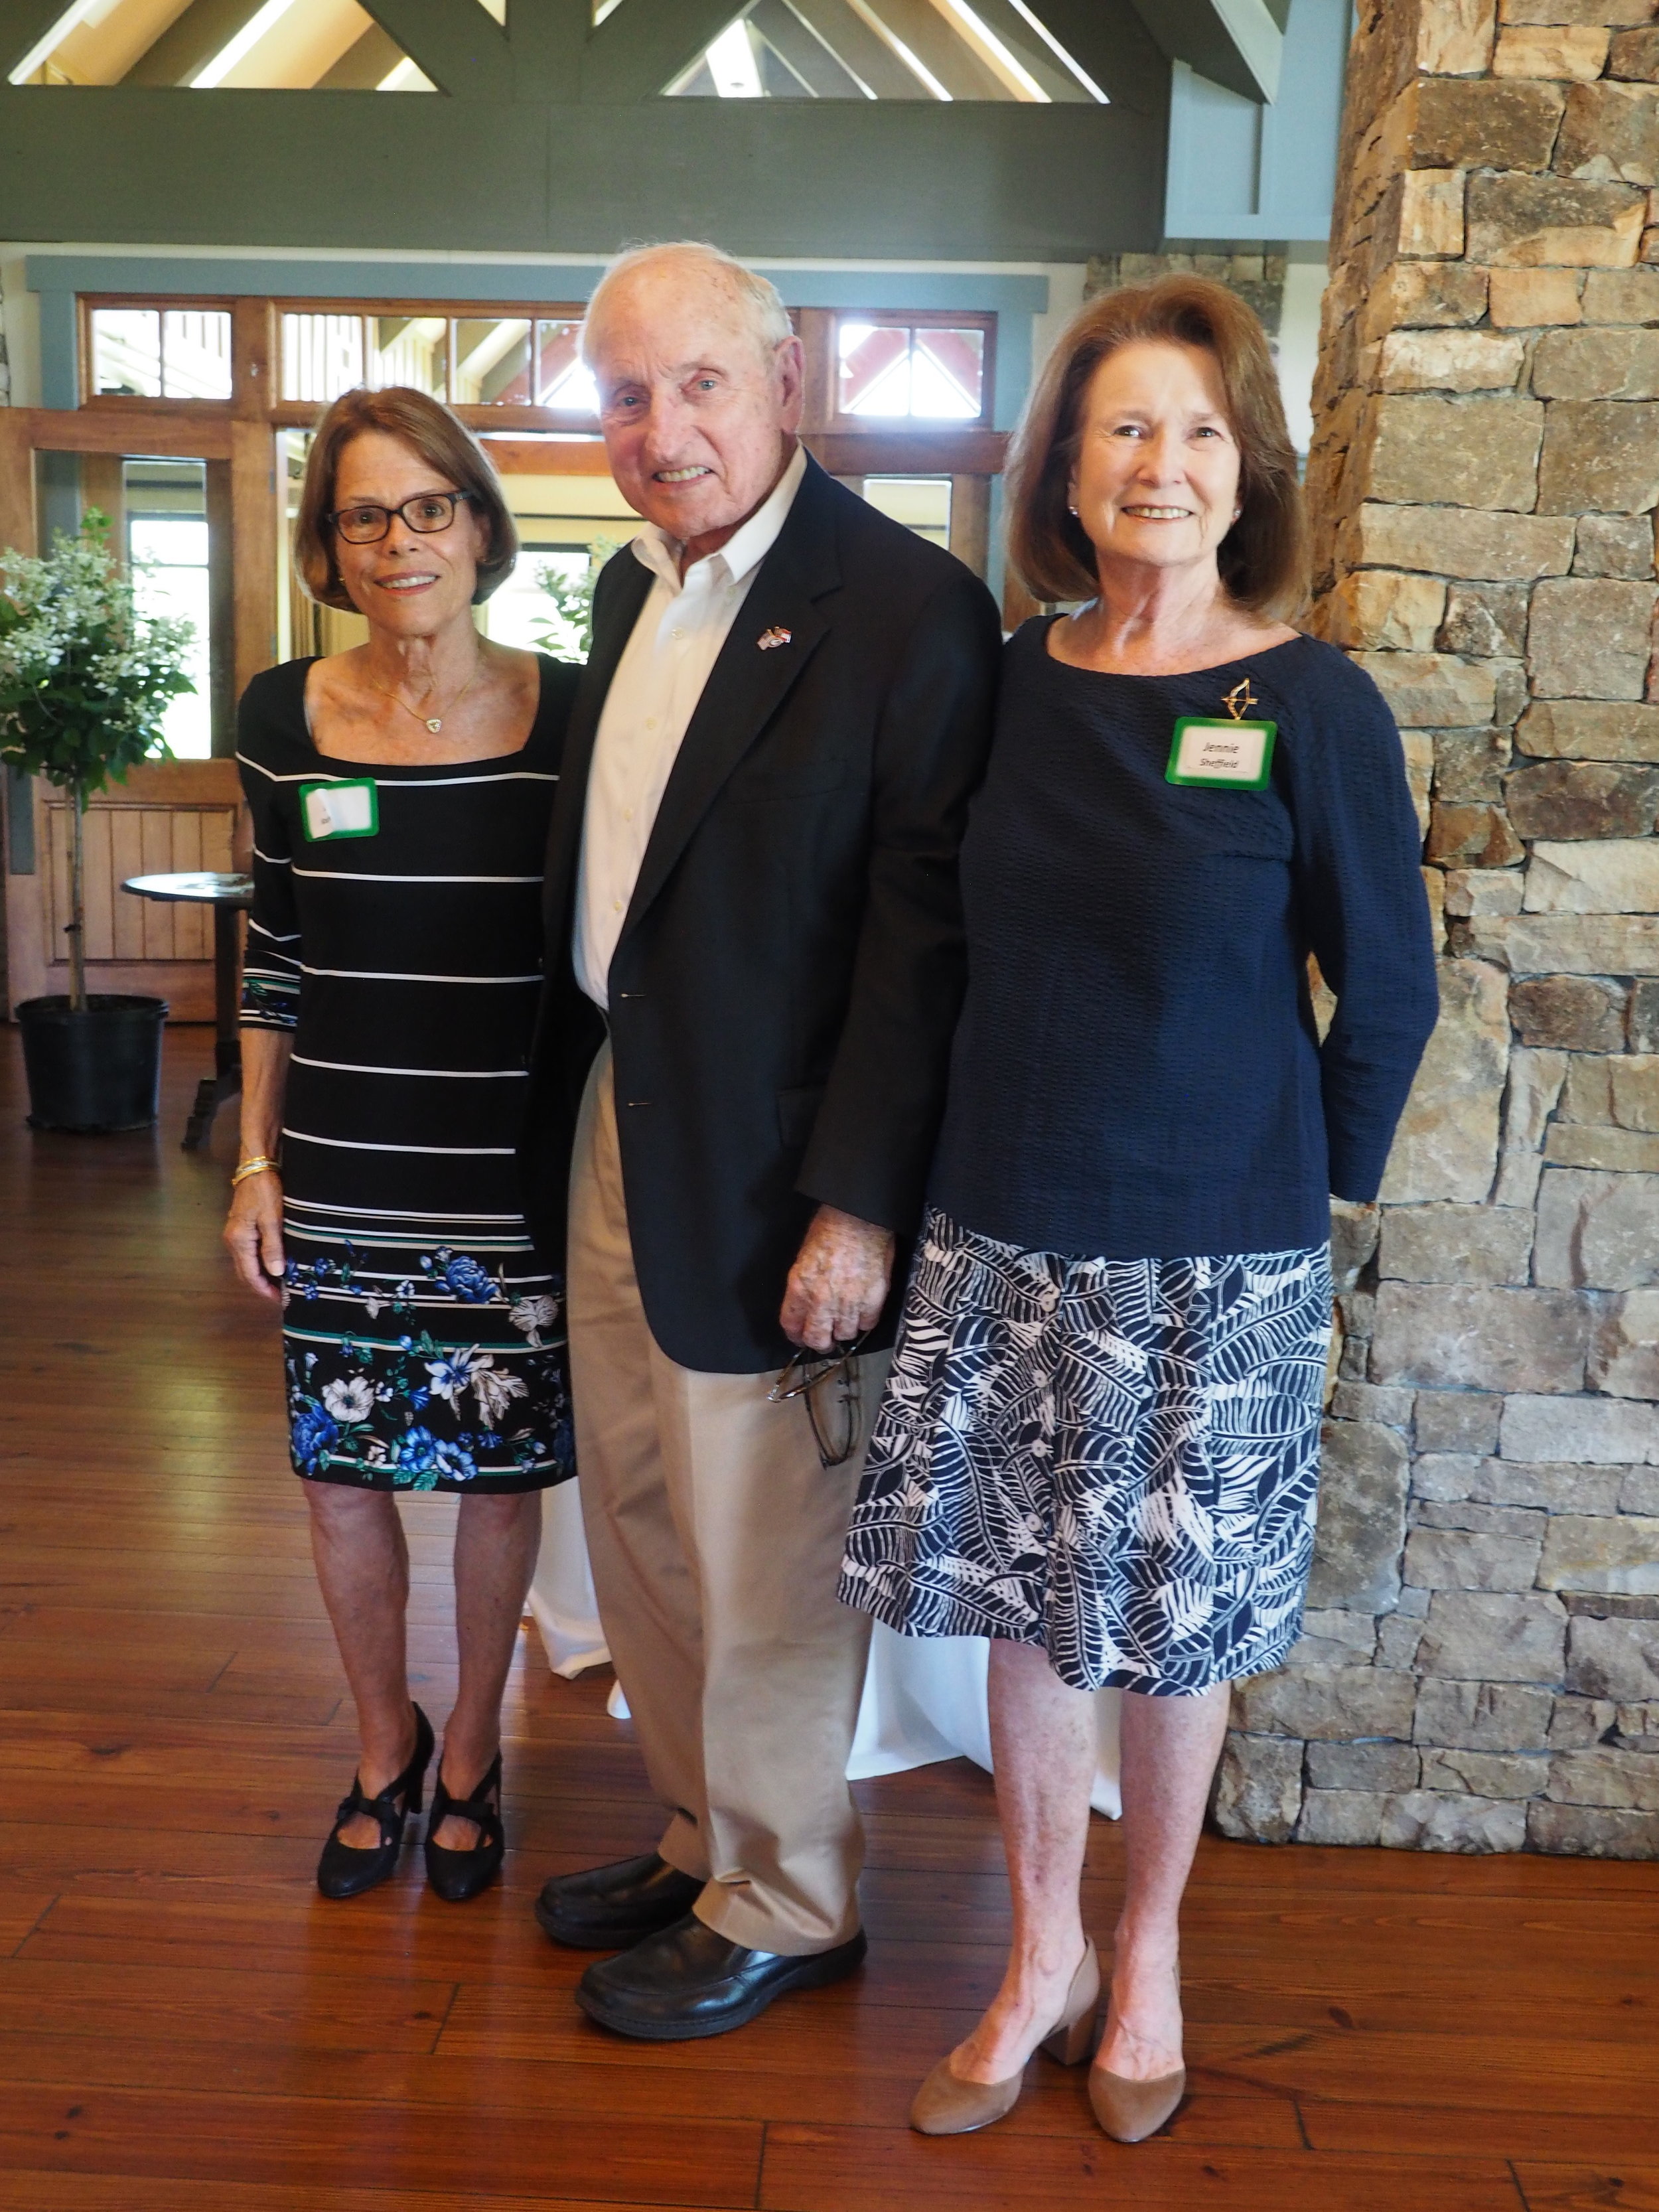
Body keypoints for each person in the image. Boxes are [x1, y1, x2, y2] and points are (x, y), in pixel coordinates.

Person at [839, 277, 1439, 2142]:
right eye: (1121, 426)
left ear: (1243, 463)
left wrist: (1316, 1196)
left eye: (1193, 427)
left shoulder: (1306, 698)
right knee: (1022, 1620)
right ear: (1066, 468)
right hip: (1001, 1230)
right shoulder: (1003, 682)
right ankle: (1041, 1952)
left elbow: (1389, 983)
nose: (1158, 463)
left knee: (1171, 1632)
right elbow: (923, 945)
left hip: (1218, 1259)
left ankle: (1151, 1951)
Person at [519, 241, 1001, 2039]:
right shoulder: (623, 591)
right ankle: (701, 1830)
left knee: (761, 1540)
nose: (661, 428)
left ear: (787, 385)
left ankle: (794, 1893)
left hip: (777, 1164)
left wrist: (857, 1203)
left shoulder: (902, 606)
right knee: (641, 1515)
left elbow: (920, 929)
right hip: (617, 1122)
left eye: (700, 382)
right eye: (625, 395)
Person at [226, 387, 578, 1905]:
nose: (398, 539)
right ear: (328, 545)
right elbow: (273, 952)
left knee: (500, 1481)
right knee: (339, 1480)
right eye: (363, 514)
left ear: (482, 524)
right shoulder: (277, 716)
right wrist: (254, 1161)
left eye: (428, 504)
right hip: (344, 1166)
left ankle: (473, 1750)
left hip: (512, 1176)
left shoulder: (574, 711)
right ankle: (383, 1743)